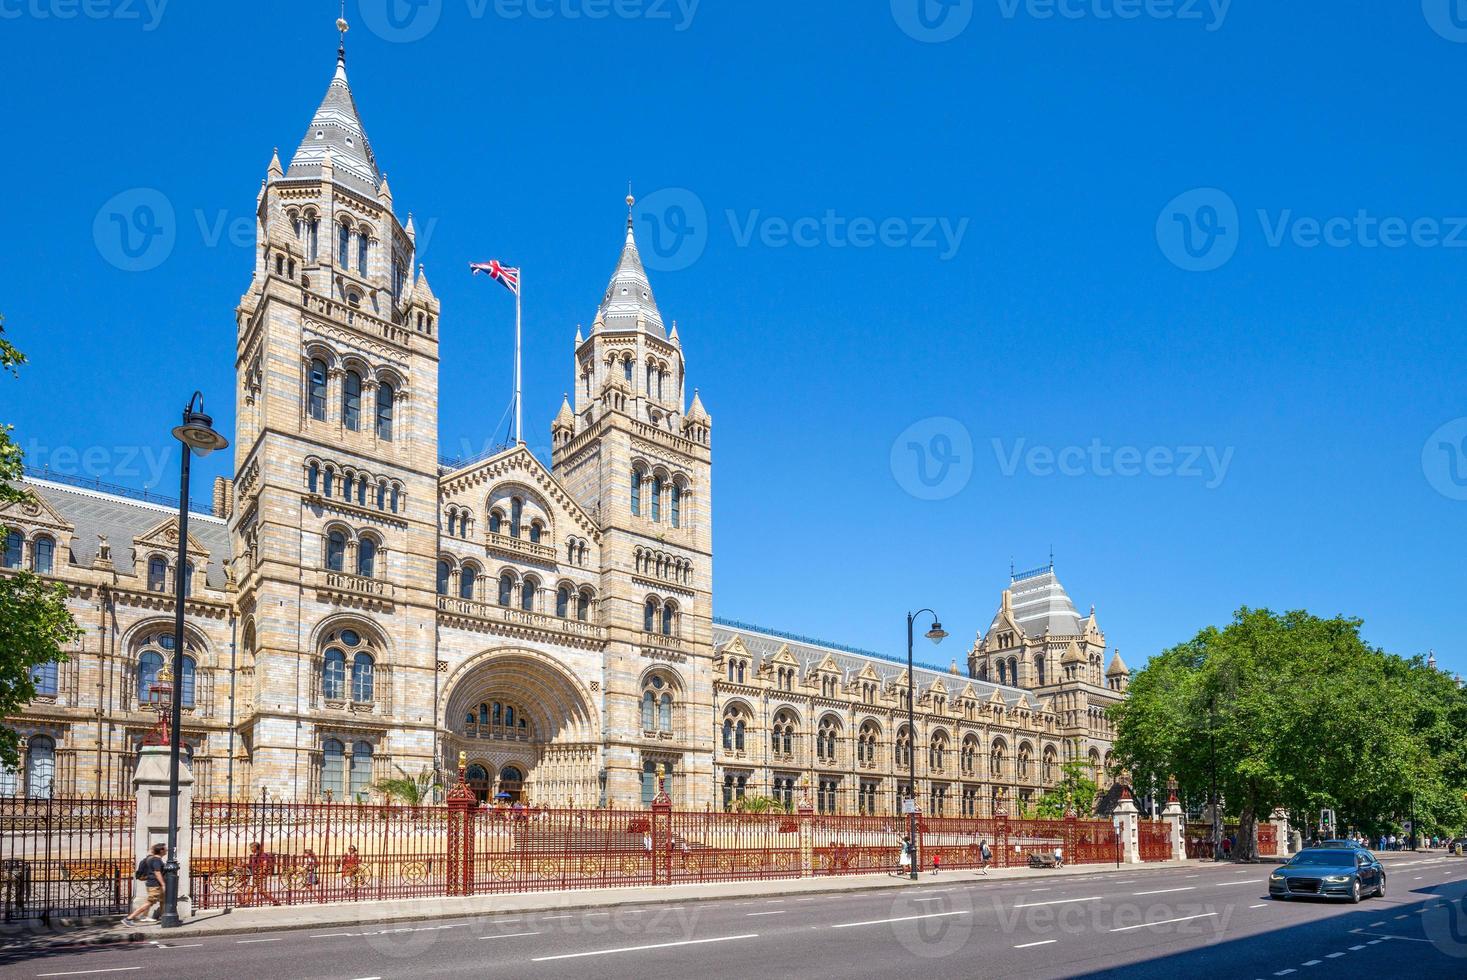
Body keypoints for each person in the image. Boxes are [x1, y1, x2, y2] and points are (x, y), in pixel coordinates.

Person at [122, 842, 167, 925]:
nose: (167, 850)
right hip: (155, 884)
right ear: (161, 850)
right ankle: (129, 918)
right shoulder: (156, 860)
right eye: (165, 848)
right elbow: (157, 872)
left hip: (153, 884)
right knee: (149, 902)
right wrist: (163, 884)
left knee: (163, 900)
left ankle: (163, 916)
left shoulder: (152, 859)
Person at [246, 841, 280, 907]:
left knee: (262, 891)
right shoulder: (255, 855)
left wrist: (260, 874)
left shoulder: (262, 855)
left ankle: (275, 901)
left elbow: (265, 865)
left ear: (255, 847)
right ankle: (247, 903)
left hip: (259, 875)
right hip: (255, 875)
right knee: (250, 889)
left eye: (252, 847)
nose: (250, 849)